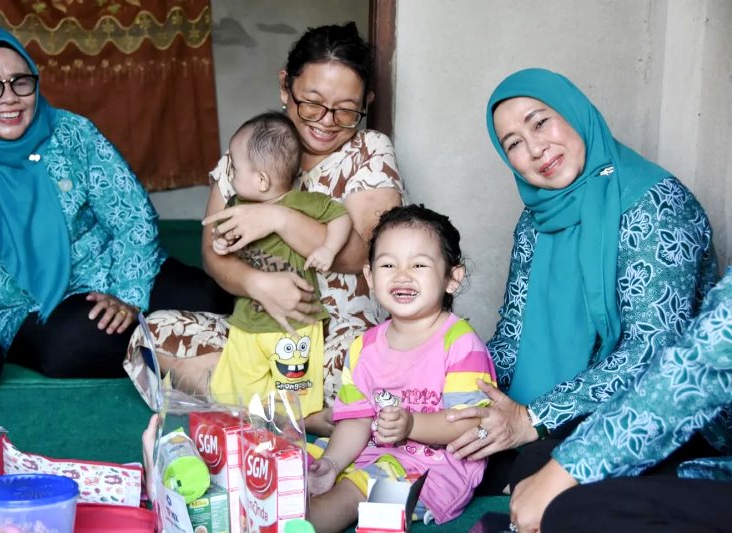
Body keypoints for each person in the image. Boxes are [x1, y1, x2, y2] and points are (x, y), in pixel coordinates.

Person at [445, 68, 718, 493]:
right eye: (514, 143)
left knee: (535, 469)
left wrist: (532, 418)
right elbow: (513, 336)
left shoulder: (657, 204)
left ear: (575, 112)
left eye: (540, 122)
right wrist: (456, 385)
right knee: (458, 445)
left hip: (659, 417)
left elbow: (654, 351)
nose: (535, 149)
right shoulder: (536, 220)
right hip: (555, 411)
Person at [124, 22, 405, 435]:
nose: (326, 122)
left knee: (370, 369)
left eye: (346, 110)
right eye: (312, 103)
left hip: (339, 337)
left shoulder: (368, 151)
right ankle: (295, 412)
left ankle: (252, 402)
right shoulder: (248, 151)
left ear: (368, 103)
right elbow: (213, 253)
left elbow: (365, 253)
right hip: (256, 333)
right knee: (152, 336)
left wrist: (279, 218)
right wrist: (256, 283)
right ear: (284, 86)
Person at [0, 25, 232, 404]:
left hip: (107, 269)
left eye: (21, 81)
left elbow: (132, 216)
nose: (9, 98)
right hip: (25, 305)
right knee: (74, 344)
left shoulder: (71, 132)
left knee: (207, 295)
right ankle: (206, 356)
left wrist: (128, 296)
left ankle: (195, 348)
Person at [306, 205, 497, 531]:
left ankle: (303, 523)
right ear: (370, 276)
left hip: (434, 468)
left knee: (359, 487)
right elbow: (357, 420)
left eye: (419, 264)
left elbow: (470, 423)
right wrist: (332, 463)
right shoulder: (364, 347)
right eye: (388, 264)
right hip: (372, 449)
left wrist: (411, 424)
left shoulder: (461, 344)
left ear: (452, 278)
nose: (402, 275)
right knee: (303, 460)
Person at [509, 265, 732, 532]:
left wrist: (536, 422)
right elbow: (512, 335)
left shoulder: (661, 235)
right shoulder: (534, 239)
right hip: (684, 428)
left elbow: (681, 365)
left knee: (569, 509)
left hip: (699, 426)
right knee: (537, 461)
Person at [206, 111, 352, 419]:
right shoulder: (237, 206)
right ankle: (254, 427)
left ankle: (294, 430)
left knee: (295, 400)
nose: (229, 174)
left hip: (297, 324)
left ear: (261, 180)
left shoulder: (301, 203)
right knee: (240, 394)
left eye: (235, 168)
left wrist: (328, 249)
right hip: (248, 321)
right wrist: (221, 242)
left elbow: (340, 217)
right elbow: (220, 237)